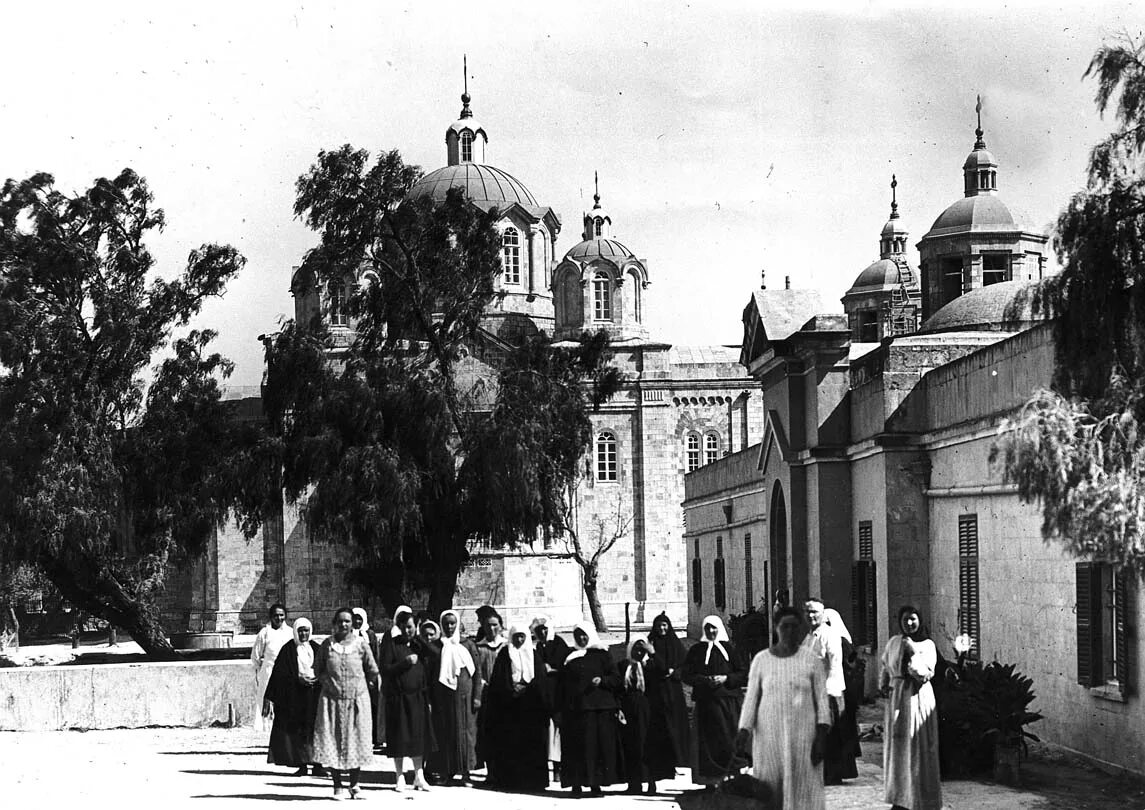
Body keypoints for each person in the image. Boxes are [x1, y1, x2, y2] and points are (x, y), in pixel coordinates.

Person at [737, 606, 831, 810]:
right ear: (776, 628)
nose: (789, 631)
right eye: (784, 626)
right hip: (769, 738)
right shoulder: (762, 660)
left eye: (794, 627)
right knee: (770, 788)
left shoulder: (811, 660)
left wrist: (822, 736)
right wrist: (743, 732)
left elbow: (822, 702)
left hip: (803, 738)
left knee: (804, 789)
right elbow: (751, 699)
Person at [312, 607, 381, 800]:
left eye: (347, 621)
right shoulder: (327, 645)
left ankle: (354, 784)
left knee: (355, 741)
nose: (344, 624)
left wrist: (364, 685)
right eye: (340, 621)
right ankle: (337, 786)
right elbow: (318, 669)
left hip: (356, 702)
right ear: (335, 623)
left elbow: (373, 669)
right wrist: (327, 683)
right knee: (333, 740)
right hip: (331, 702)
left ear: (353, 624)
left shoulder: (360, 645)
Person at [880, 605, 943, 810]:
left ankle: (920, 799)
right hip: (897, 698)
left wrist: (912, 652)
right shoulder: (893, 642)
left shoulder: (927, 645)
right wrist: (884, 683)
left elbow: (924, 674)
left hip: (917, 699)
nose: (909, 623)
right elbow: (885, 665)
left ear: (920, 620)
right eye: (905, 619)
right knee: (898, 750)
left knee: (917, 749)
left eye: (913, 619)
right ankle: (901, 799)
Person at [556, 621, 623, 796]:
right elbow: (562, 685)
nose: (581, 638)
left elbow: (616, 679)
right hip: (576, 711)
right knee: (576, 748)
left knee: (597, 748)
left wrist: (602, 681)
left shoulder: (602, 655)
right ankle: (576, 784)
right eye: (578, 635)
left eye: (584, 634)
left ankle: (596, 784)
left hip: (600, 710)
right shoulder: (570, 657)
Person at [682, 614, 747, 787]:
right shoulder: (696, 650)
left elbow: (742, 673)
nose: (711, 631)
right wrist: (704, 680)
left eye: (714, 628)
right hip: (707, 703)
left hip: (728, 703)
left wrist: (726, 678)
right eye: (707, 628)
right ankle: (710, 780)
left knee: (729, 739)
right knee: (709, 742)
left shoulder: (729, 649)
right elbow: (686, 674)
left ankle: (732, 777)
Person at [486, 623, 550, 792]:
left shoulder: (534, 655)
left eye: (522, 636)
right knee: (511, 744)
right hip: (510, 707)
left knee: (532, 744)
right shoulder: (504, 655)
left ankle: (533, 782)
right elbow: (498, 679)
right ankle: (510, 781)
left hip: (531, 706)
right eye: (516, 637)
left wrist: (528, 689)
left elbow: (541, 679)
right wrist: (511, 689)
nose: (520, 640)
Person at [381, 606, 436, 792]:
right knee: (399, 738)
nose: (407, 630)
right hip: (398, 698)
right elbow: (386, 669)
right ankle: (399, 776)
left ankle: (419, 776)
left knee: (418, 738)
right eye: (404, 627)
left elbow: (434, 653)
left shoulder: (417, 645)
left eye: (410, 627)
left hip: (418, 698)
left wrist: (417, 637)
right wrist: (404, 664)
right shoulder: (391, 643)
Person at [264, 617, 324, 776]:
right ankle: (302, 764)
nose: (304, 634)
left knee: (316, 731)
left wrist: (318, 678)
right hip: (296, 697)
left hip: (315, 695)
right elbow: (280, 675)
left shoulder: (317, 648)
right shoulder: (288, 650)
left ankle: (318, 765)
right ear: (296, 632)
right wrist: (298, 679)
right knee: (299, 731)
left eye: (306, 630)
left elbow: (326, 668)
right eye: (300, 631)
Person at [803, 598, 853, 783]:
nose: (811, 616)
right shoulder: (809, 636)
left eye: (815, 612)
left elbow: (833, 664)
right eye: (807, 612)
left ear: (823, 614)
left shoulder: (829, 634)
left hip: (828, 690)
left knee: (830, 733)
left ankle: (832, 773)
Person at [618, 637, 676, 795]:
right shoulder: (624, 666)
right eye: (636, 649)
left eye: (641, 650)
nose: (638, 652)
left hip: (648, 709)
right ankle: (633, 783)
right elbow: (619, 689)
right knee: (631, 746)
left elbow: (664, 669)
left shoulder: (650, 665)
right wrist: (619, 709)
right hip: (629, 709)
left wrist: (652, 652)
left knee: (648, 745)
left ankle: (651, 782)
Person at [427, 609, 477, 785]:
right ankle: (447, 772)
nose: (449, 627)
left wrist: (476, 697)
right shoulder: (437, 646)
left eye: (452, 623)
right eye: (446, 623)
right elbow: (432, 675)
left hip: (465, 697)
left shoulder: (468, 645)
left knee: (466, 734)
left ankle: (466, 772)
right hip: (444, 698)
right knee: (446, 733)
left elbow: (476, 673)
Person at [823, 607, 862, 780]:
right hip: (835, 693)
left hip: (840, 693)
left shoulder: (841, 642)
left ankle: (837, 772)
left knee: (838, 734)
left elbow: (848, 669)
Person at [646, 612, 688, 772]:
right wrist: (655, 657)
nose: (662, 628)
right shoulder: (651, 644)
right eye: (659, 626)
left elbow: (685, 665)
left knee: (675, 724)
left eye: (664, 625)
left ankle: (679, 760)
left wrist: (674, 672)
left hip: (673, 691)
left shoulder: (675, 644)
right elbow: (654, 666)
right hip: (657, 690)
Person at [531, 616, 568, 781]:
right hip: (545, 693)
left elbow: (565, 666)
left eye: (545, 629)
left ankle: (559, 767)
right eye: (539, 631)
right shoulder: (539, 646)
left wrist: (551, 669)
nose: (543, 633)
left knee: (558, 732)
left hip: (558, 692)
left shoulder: (559, 644)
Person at [472, 606, 506, 780]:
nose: (492, 629)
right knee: (487, 734)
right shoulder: (479, 648)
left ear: (500, 625)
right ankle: (491, 772)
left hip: (504, 696)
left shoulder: (506, 646)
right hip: (486, 696)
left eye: (495, 625)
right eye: (488, 626)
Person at [251, 603, 293, 733]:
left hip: (286, 672)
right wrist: (261, 670)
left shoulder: (290, 632)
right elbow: (256, 656)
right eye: (276, 615)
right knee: (267, 701)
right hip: (268, 672)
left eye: (281, 615)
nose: (279, 618)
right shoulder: (265, 633)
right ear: (271, 616)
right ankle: (267, 728)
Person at [351, 607, 381, 748]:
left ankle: (372, 738)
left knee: (370, 707)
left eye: (360, 618)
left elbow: (375, 656)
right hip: (352, 677)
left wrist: (373, 677)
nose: (357, 621)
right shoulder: (347, 634)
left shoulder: (370, 635)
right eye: (355, 618)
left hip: (368, 678)